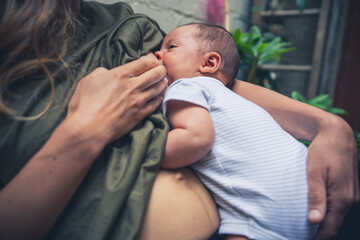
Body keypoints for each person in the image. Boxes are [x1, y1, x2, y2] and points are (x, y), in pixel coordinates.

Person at [0, 1, 358, 240]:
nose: (158, 54)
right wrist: (87, 131)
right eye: (164, 47)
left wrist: (327, 125)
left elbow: (213, 83)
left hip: (258, 213)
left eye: (168, 48)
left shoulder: (112, 22)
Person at [157, 22, 319, 239]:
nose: (158, 53)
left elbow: (195, 138)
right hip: (309, 195)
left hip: (263, 214)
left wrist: (142, 152)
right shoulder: (235, 99)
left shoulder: (188, 86)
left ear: (210, 62)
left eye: (171, 47)